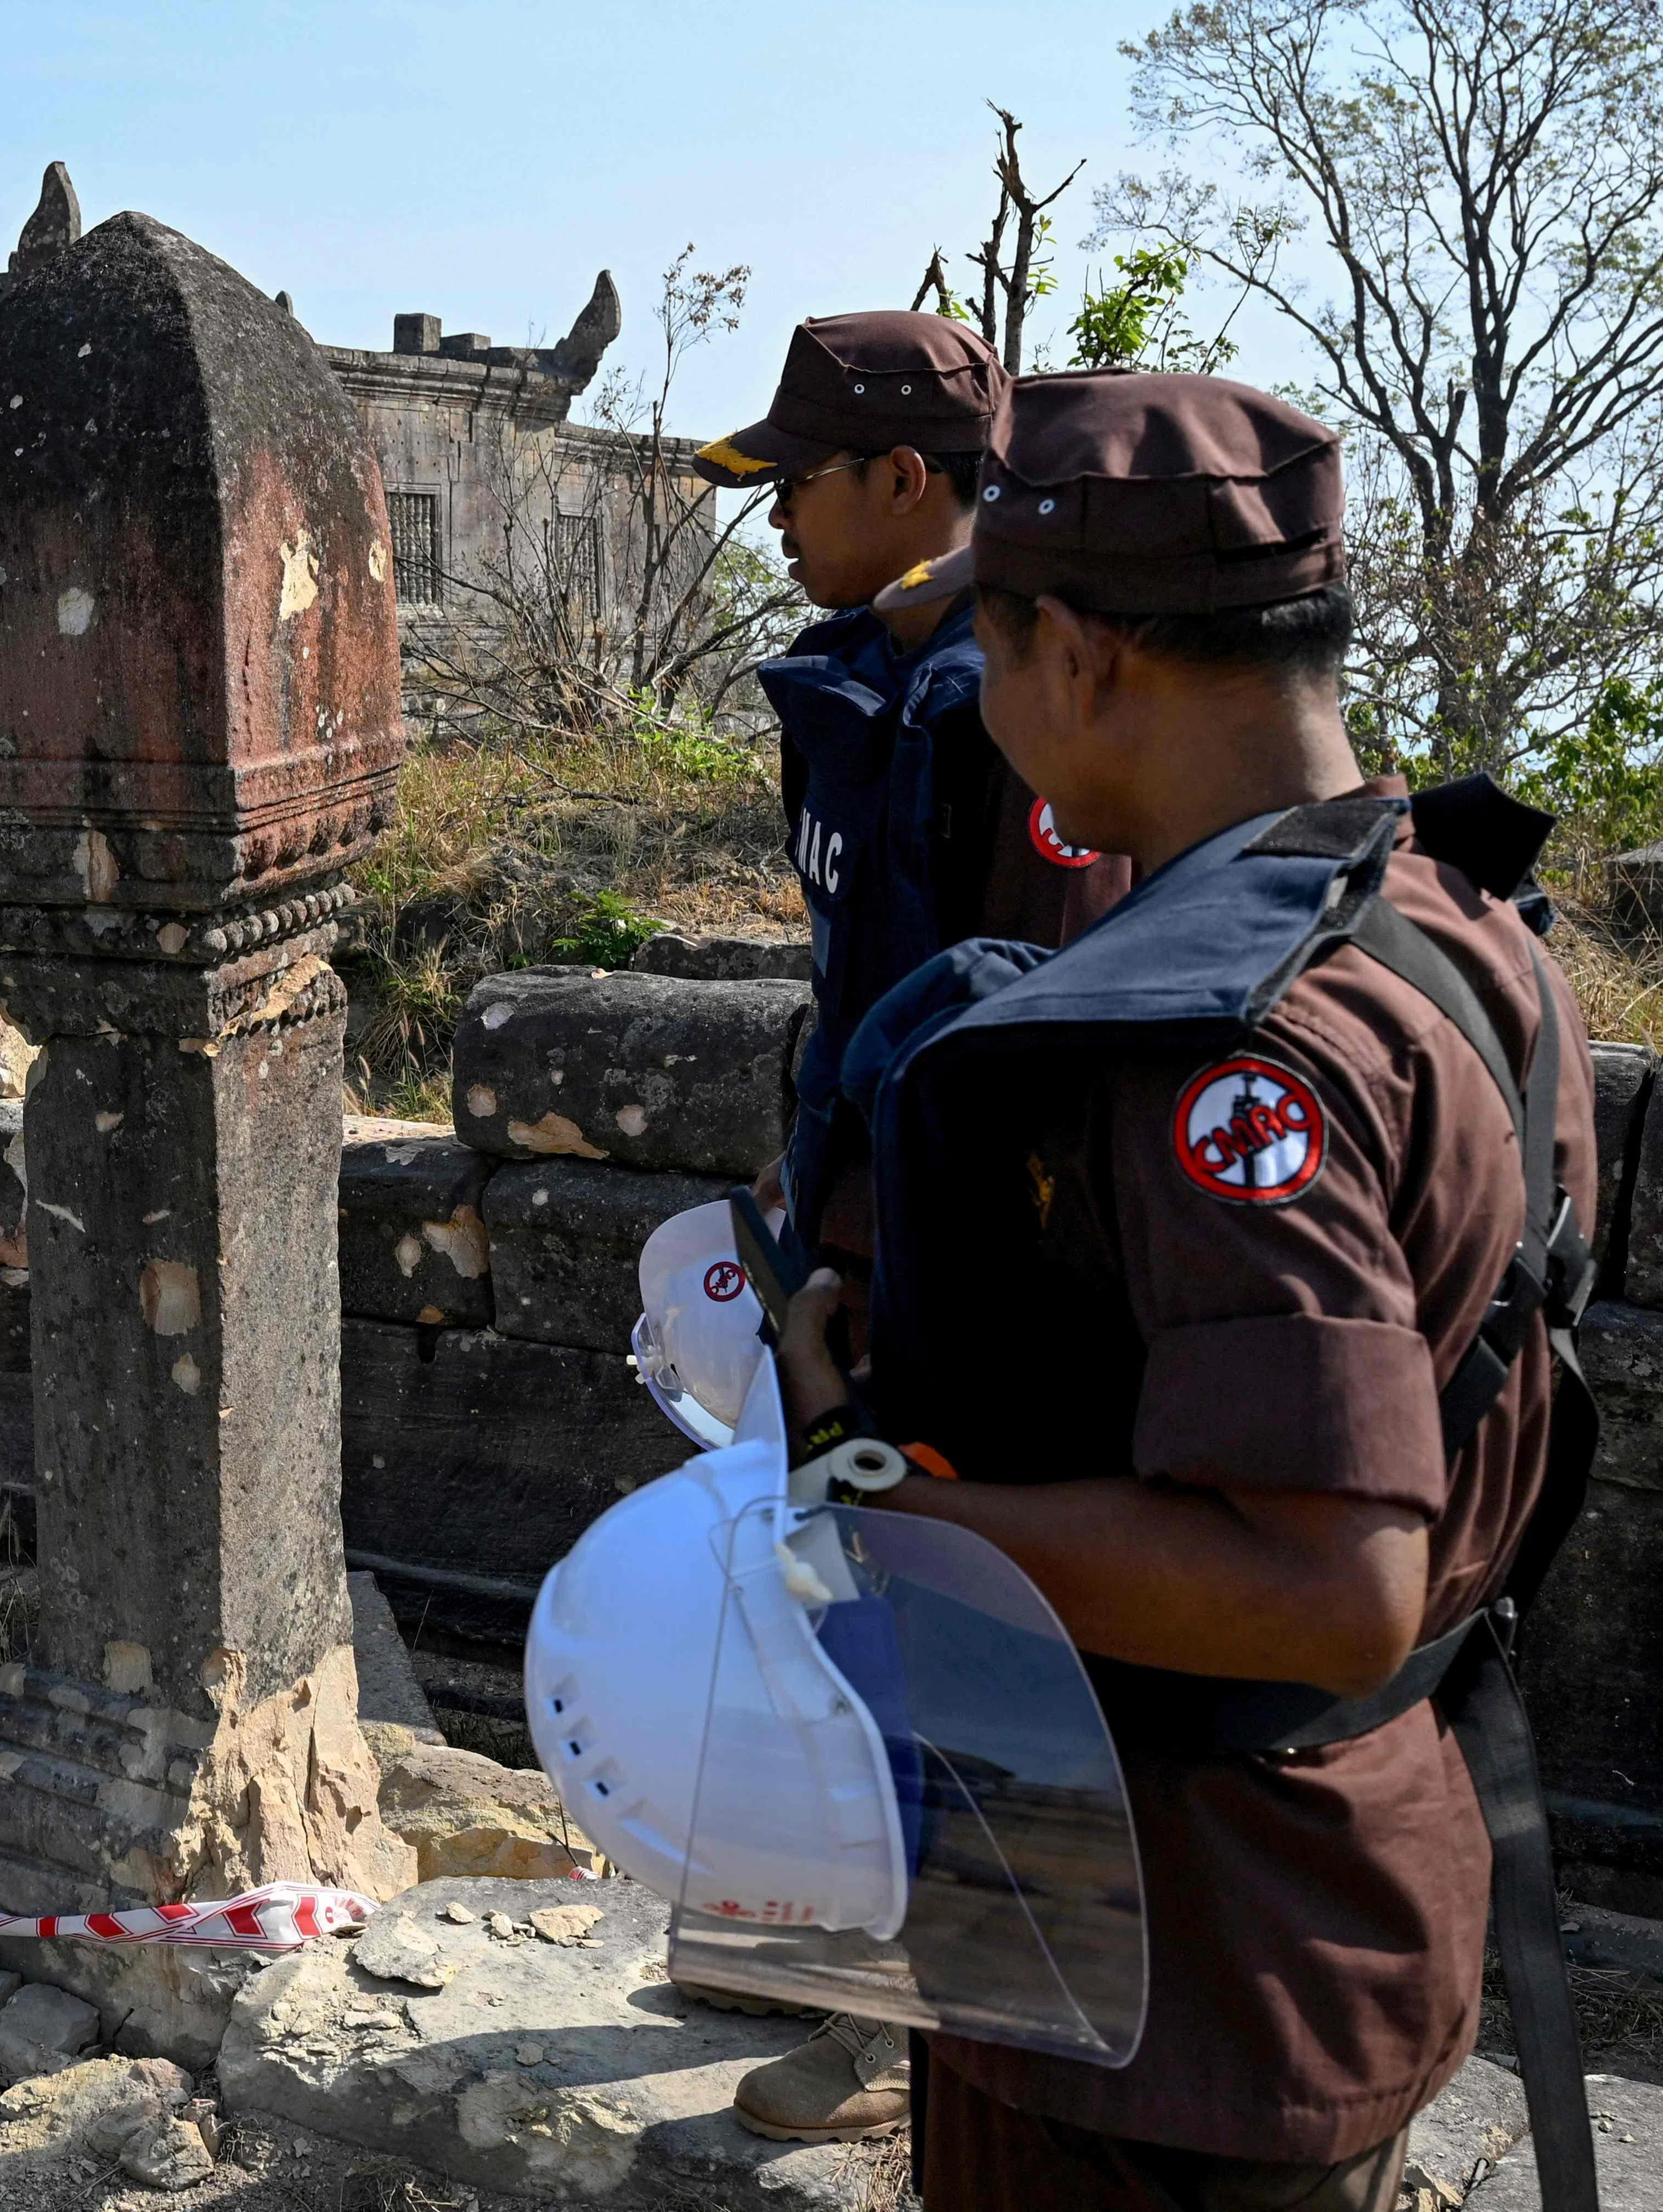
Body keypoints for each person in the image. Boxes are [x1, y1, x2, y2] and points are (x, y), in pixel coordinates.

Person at [773, 370, 1594, 2208]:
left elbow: (1326, 1584)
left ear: (1074, 655)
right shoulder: (1453, 920)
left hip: (1165, 1983)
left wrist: (867, 1498)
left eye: (987, 647)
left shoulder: (1226, 1051)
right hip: (1332, 1895)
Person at [685, 311, 1135, 2140]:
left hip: (951, 1253)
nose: (776, 518)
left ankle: (910, 2016)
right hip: (845, 1201)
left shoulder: (1010, 704)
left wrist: (893, 1260)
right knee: (821, 1593)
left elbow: (1028, 1015)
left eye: (795, 482)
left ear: (899, 476)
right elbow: (856, 967)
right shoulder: (857, 679)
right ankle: (820, 1930)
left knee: (930, 1616)